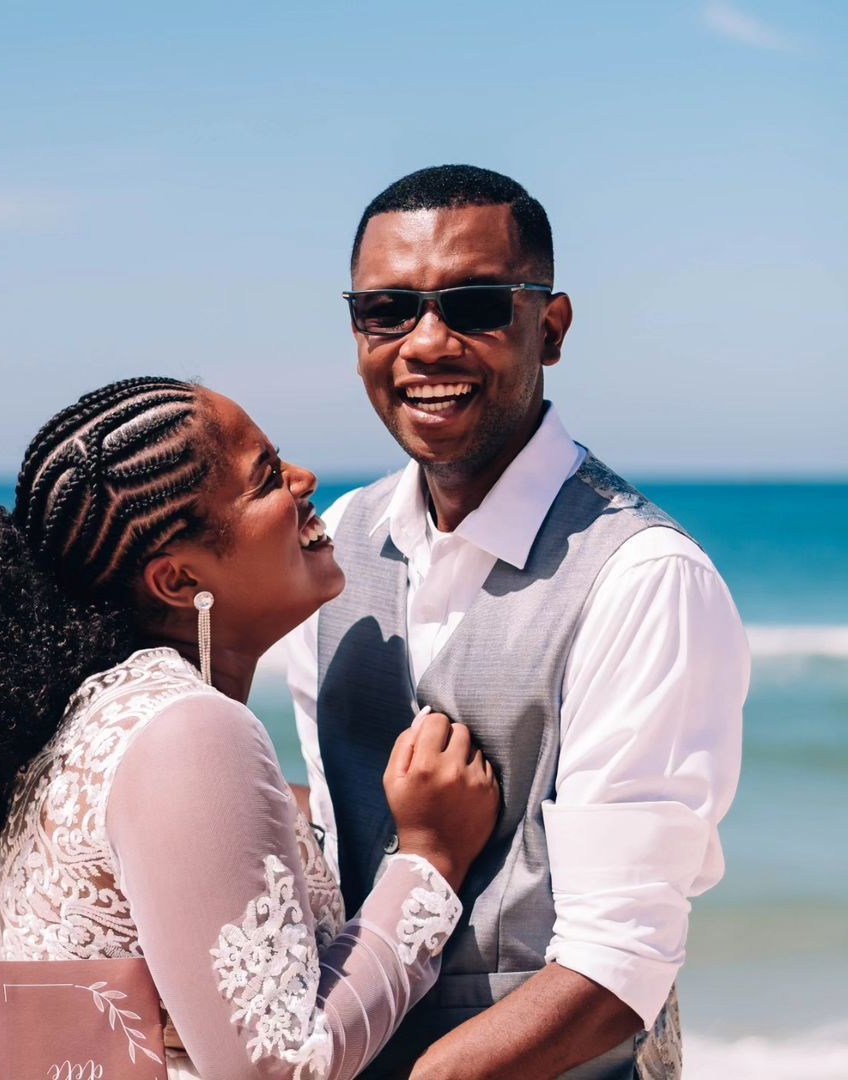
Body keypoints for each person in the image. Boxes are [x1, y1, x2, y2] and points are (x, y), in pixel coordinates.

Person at [0, 377, 502, 1079]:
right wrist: (430, 858)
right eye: (266, 477)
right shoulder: (190, 731)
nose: (305, 480)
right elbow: (278, 1067)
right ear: (178, 581)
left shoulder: (96, 718)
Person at [286, 166, 749, 1079]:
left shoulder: (641, 577)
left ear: (553, 326)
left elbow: (619, 966)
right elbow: (339, 844)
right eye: (387, 309)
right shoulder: (337, 540)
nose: (426, 342)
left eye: (475, 304)